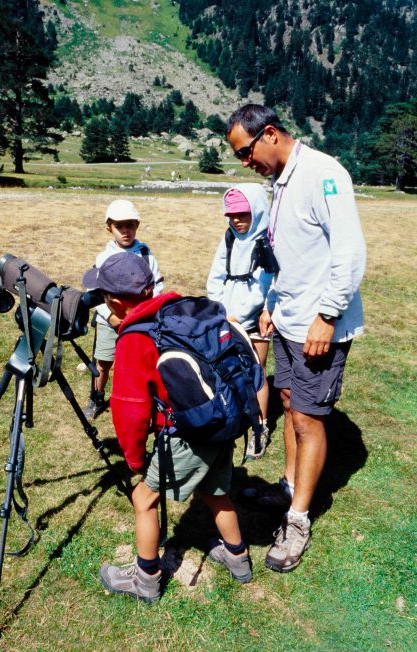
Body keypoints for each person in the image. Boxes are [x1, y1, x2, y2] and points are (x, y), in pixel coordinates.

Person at [225, 104, 366, 572]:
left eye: (246, 152)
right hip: (287, 319)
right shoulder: (280, 181)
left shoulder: (324, 173)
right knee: (288, 401)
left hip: (317, 327)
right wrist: (270, 303)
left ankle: (299, 519)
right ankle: (287, 489)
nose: (245, 163)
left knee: (307, 418)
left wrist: (327, 316)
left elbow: (348, 252)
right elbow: (289, 255)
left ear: (269, 134)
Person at [87, 254, 252, 603]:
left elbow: (129, 411)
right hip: (219, 422)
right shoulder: (179, 310)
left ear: (114, 301)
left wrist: (134, 461)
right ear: (150, 287)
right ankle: (238, 559)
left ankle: (145, 578)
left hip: (184, 436)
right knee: (215, 493)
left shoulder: (134, 339)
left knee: (142, 499)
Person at [205, 183, 275, 458]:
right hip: (228, 314)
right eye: (232, 215)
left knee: (257, 371)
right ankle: (233, 418)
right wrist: (221, 309)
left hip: (255, 317)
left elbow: (267, 281)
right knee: (229, 366)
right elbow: (216, 274)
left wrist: (245, 313)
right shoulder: (230, 238)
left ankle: (260, 427)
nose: (236, 220)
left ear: (256, 211)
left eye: (243, 214)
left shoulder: (267, 239)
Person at [84, 199, 164, 420]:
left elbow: (157, 287)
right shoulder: (103, 258)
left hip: (140, 322)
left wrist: (146, 314)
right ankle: (96, 397)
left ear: (137, 225)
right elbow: (95, 291)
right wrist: (109, 315)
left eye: (130, 225)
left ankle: (140, 399)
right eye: (119, 226)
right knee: (103, 361)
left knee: (137, 364)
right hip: (110, 322)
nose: (125, 231)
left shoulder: (147, 257)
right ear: (109, 227)